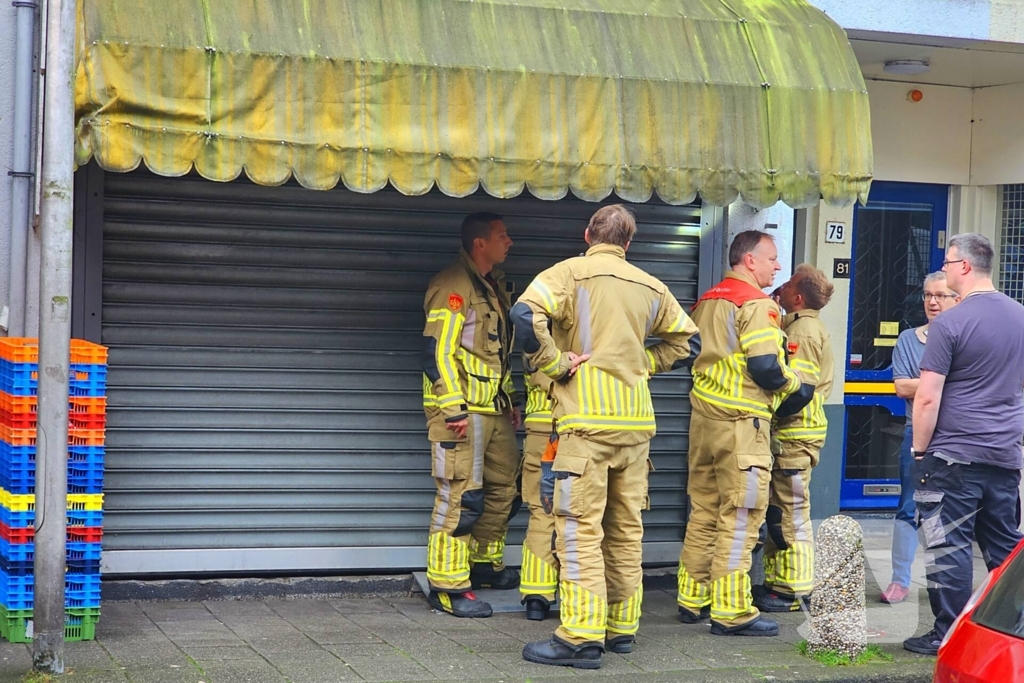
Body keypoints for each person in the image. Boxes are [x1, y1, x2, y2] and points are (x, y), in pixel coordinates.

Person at [511, 204, 700, 669]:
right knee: (625, 530)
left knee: (578, 531)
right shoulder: (650, 285)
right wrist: (643, 365)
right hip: (636, 427)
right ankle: (622, 629)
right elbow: (687, 342)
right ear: (628, 243)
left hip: (586, 424)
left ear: (588, 234)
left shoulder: (567, 273)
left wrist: (555, 363)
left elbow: (523, 316)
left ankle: (579, 637)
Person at [676, 230, 811, 637]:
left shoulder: (707, 300)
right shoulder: (756, 305)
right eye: (772, 259)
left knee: (703, 510)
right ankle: (732, 611)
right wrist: (795, 387)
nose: (779, 267)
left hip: (704, 423)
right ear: (749, 260)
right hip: (742, 426)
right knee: (741, 516)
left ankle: (692, 597)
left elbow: (689, 357)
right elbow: (766, 367)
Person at [904, 233, 1024, 656]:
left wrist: (920, 451)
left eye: (949, 261)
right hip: (1005, 455)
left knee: (947, 543)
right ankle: (1013, 628)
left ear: (965, 267)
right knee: (1006, 547)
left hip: (953, 455)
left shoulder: (951, 323)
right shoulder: (1020, 316)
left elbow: (929, 395)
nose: (946, 266)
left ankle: (948, 635)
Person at [421, 212, 523, 618]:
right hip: (462, 411)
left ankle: (483, 567)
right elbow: (438, 351)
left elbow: (496, 354)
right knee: (460, 497)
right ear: (480, 243)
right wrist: (451, 406)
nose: (509, 241)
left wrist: (511, 399)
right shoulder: (453, 286)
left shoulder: (493, 288)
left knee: (503, 493)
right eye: (502, 235)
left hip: (494, 411)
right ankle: (447, 586)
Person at [756, 264, 836, 613]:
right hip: (796, 433)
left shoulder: (803, 331)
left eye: (787, 284)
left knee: (790, 511)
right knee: (781, 509)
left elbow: (800, 390)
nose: (781, 285)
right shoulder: (800, 323)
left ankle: (793, 590)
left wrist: (768, 409)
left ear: (798, 295)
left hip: (796, 432)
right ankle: (779, 584)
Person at [880, 272, 959, 605]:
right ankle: (899, 581)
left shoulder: (964, 338)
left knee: (952, 510)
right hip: (916, 432)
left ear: (956, 299)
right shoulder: (908, 340)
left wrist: (925, 382)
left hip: (956, 436)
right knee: (909, 507)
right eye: (927, 295)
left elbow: (957, 387)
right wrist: (946, 382)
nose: (932, 302)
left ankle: (945, 584)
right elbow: (901, 387)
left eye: (940, 295)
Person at [518, 356, 559, 620]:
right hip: (581, 427)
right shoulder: (592, 322)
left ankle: (536, 597)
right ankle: (580, 596)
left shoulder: (534, 321)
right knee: (583, 515)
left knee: (542, 510)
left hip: (539, 428)